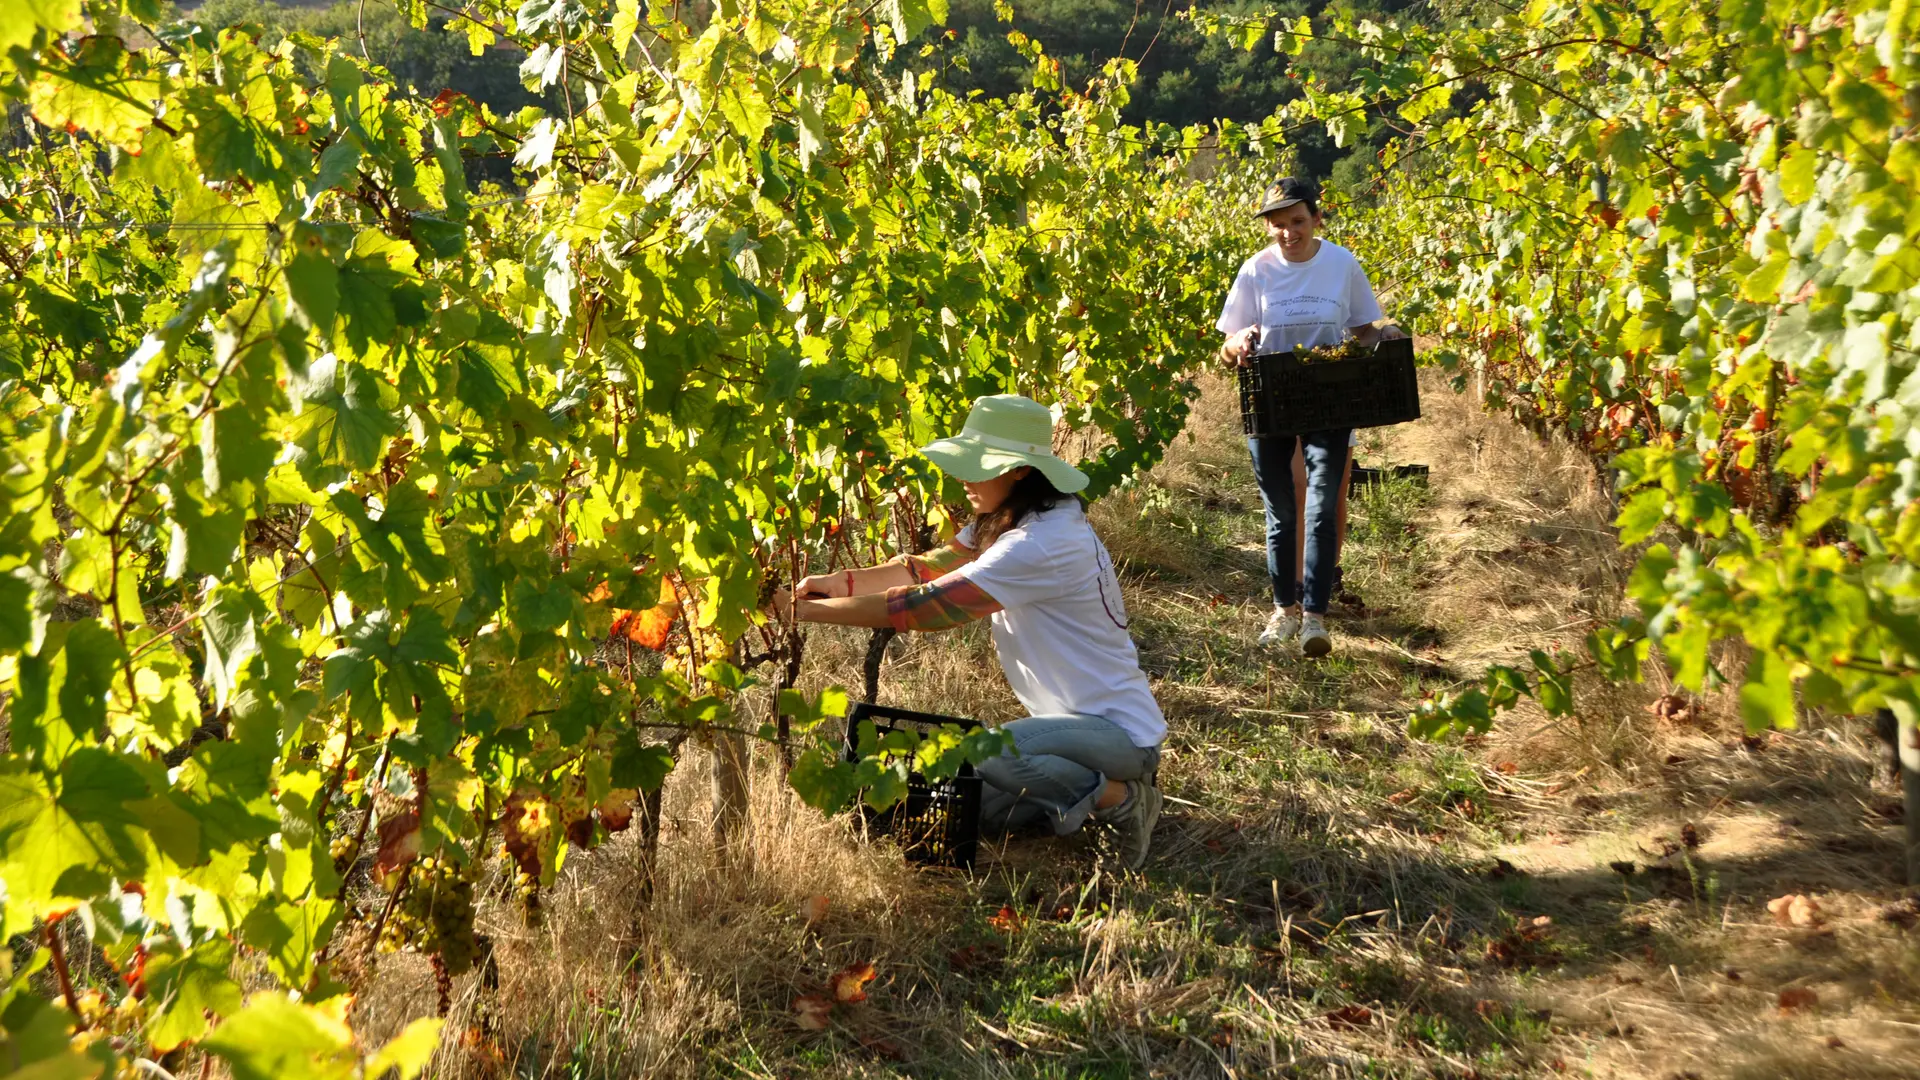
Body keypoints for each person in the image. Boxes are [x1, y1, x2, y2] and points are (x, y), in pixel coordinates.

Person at [771, 394, 1166, 870]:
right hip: (1073, 726)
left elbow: (930, 608)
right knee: (985, 812)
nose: (963, 476)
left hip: (1120, 735)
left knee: (989, 752)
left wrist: (808, 614)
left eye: (979, 464)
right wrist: (841, 583)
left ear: (1020, 469)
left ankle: (1125, 801)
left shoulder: (1042, 544)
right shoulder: (1013, 520)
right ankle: (1076, 793)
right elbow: (928, 570)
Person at [1217, 177, 1404, 657]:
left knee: (1321, 505)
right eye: (1278, 225)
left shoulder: (1341, 264)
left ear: (1316, 218)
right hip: (1270, 400)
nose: (1288, 233)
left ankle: (1315, 619)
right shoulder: (1255, 271)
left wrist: (1386, 334)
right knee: (1281, 511)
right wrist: (1237, 344)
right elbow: (1227, 345)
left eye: (1297, 221)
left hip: (1330, 396)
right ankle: (1283, 611)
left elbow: (1361, 330)